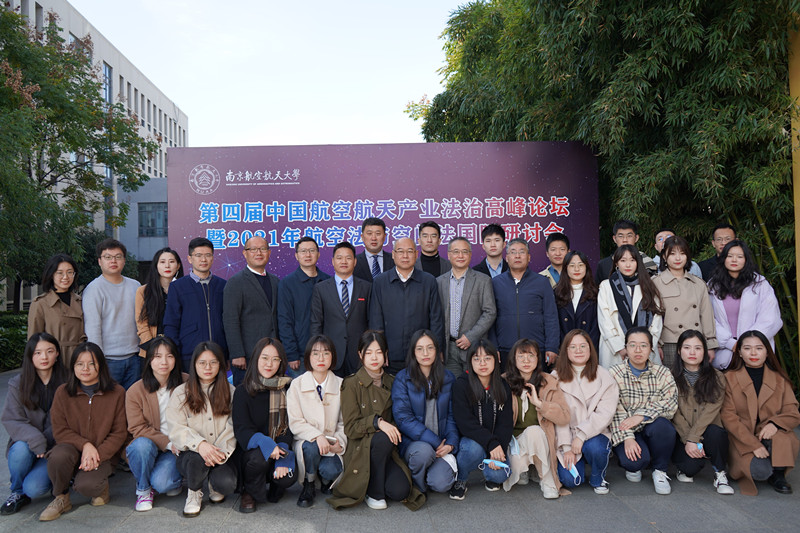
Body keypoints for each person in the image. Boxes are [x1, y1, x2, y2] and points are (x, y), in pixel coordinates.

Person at [328, 330, 425, 510]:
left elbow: (400, 417)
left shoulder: (392, 382)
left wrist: (389, 427)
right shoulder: (351, 384)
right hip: (361, 448)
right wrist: (377, 422)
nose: (374, 357)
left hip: (387, 449)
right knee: (382, 437)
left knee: (401, 491)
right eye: (369, 353)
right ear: (360, 355)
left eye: (379, 352)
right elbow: (351, 428)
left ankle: (374, 479)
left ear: (385, 355)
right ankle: (374, 492)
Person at [38, 342, 127, 521]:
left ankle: (101, 487)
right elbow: (60, 430)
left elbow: (119, 433)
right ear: (73, 366)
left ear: (101, 366)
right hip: (71, 449)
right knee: (58, 456)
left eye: (91, 364)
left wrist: (96, 454)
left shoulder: (117, 392)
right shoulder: (63, 392)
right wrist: (85, 445)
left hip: (102, 454)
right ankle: (61, 497)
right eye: (80, 364)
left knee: (87, 486)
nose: (85, 369)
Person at [720, 330, 800, 495]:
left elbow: (792, 413)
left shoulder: (780, 379)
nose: (753, 353)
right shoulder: (728, 378)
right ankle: (768, 465)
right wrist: (753, 445)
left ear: (767, 352)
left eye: (759, 348)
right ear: (739, 352)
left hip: (771, 435)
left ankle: (779, 474)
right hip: (742, 437)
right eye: (747, 348)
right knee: (760, 472)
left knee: (782, 435)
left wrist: (774, 424)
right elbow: (728, 417)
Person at [167, 341, 237, 517]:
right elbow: (176, 428)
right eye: (202, 363)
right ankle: (194, 492)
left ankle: (213, 482)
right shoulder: (181, 393)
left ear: (220, 364)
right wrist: (200, 445)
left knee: (227, 484)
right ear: (194, 365)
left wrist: (218, 453)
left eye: (213, 362)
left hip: (220, 452)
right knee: (197, 460)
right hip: (191, 455)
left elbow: (233, 426)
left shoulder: (231, 391)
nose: (208, 367)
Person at [1, 333, 67, 515]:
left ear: (57, 354)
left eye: (49, 351)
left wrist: (47, 440)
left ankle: (54, 476)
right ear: (30, 356)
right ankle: (16, 491)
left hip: (54, 447)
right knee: (19, 450)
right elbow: (12, 419)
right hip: (28, 444)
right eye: (38, 352)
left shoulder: (67, 380)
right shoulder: (18, 383)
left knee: (34, 488)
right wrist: (35, 439)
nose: (44, 357)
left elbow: (70, 418)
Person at [609, 327, 678, 495]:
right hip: (625, 427)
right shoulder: (614, 373)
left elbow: (670, 402)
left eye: (643, 345)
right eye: (632, 345)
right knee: (634, 463)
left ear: (651, 348)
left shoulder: (662, 372)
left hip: (651, 425)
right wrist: (628, 437)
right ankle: (638, 459)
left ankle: (660, 470)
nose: (638, 350)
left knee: (664, 427)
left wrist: (642, 416)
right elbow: (614, 409)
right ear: (626, 347)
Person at [391, 330, 459, 495]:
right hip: (415, 444)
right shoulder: (403, 378)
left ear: (437, 350)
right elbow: (403, 419)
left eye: (430, 348)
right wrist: (435, 442)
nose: (425, 353)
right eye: (420, 349)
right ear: (413, 352)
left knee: (441, 484)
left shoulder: (448, 377)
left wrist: (450, 443)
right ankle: (417, 484)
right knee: (424, 452)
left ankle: (429, 474)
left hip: (442, 444)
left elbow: (453, 416)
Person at [233, 338, 296, 513]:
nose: (270, 364)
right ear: (255, 359)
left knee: (289, 476)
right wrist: (265, 443)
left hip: (277, 446)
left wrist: (282, 449)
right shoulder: (242, 391)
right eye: (265, 358)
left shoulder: (286, 389)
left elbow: (288, 426)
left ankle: (276, 483)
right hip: (252, 453)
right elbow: (242, 430)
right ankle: (249, 491)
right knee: (259, 458)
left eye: (275, 359)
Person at [502, 338, 570, 499]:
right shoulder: (503, 381)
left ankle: (548, 481)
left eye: (531, 356)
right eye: (521, 356)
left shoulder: (549, 381)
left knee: (534, 431)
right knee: (517, 468)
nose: (526, 361)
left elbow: (564, 416)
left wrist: (540, 404)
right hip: (514, 443)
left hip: (541, 440)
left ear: (538, 358)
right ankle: (528, 469)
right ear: (513, 359)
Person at [125, 336, 187, 512]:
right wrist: (167, 443)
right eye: (157, 356)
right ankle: (143, 489)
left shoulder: (187, 382)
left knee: (162, 483)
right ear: (149, 360)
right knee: (140, 446)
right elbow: (137, 428)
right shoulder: (135, 390)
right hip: (151, 445)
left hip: (176, 448)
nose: (164, 362)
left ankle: (170, 479)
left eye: (169, 356)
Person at [553, 329, 619, 494]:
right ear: (566, 351)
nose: (578, 350)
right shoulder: (555, 377)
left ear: (590, 349)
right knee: (570, 481)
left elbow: (605, 413)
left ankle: (598, 477)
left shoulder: (604, 376)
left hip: (593, 433)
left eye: (583, 346)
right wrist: (567, 447)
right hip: (566, 436)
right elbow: (557, 416)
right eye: (573, 347)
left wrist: (581, 436)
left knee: (596, 448)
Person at [669, 330, 734, 495]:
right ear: (679, 350)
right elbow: (673, 411)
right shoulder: (669, 377)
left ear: (704, 351)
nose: (692, 352)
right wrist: (688, 439)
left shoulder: (717, 377)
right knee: (689, 468)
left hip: (708, 430)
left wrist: (694, 438)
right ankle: (686, 463)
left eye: (698, 348)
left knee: (716, 433)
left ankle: (720, 473)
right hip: (683, 433)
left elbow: (712, 410)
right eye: (687, 347)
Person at [287, 335, 347, 508]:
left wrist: (339, 442)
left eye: (326, 353)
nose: (321, 358)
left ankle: (325, 478)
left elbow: (344, 422)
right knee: (311, 447)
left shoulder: (342, 385)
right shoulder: (297, 385)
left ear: (333, 357)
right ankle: (309, 482)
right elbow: (296, 422)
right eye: (315, 353)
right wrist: (317, 436)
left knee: (331, 470)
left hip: (331, 443)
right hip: (308, 442)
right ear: (308, 357)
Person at [369, 237, 444, 374]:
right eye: (400, 251)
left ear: (416, 254)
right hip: (390, 356)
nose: (405, 256)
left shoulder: (428, 281)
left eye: (409, 251)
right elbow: (376, 320)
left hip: (421, 356)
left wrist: (436, 349)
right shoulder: (380, 282)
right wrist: (380, 350)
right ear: (393, 254)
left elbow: (436, 320)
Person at [450, 339, 513, 500]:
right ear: (470, 362)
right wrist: (491, 443)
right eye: (477, 359)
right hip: (471, 441)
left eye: (487, 358)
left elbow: (505, 423)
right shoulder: (461, 385)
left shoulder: (503, 385)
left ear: (496, 360)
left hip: (495, 441)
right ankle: (461, 479)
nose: (482, 363)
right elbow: (465, 423)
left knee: (499, 476)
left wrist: (498, 448)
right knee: (472, 450)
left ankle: (487, 471)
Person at [707, 240, 782, 370]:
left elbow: (771, 318)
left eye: (740, 256)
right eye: (730, 256)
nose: (734, 260)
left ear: (746, 260)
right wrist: (731, 343)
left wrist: (748, 344)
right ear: (723, 259)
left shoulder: (760, 284)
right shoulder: (713, 286)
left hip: (755, 351)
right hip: (725, 351)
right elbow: (708, 319)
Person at [82, 238, 141, 389]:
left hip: (134, 358)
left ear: (124, 260)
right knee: (109, 400)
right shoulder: (94, 289)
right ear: (99, 261)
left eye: (118, 257)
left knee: (132, 400)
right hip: (108, 360)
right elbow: (93, 328)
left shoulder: (135, 286)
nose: (113, 261)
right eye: (108, 257)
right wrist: (97, 360)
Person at [490, 238, 559, 368]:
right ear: (507, 258)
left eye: (522, 252)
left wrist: (552, 346)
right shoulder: (496, 283)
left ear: (529, 257)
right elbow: (491, 317)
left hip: (536, 349)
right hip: (506, 349)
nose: (517, 256)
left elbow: (551, 316)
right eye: (513, 252)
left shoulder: (542, 282)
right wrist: (494, 347)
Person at [164, 237, 228, 374]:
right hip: (189, 355)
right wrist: (175, 353)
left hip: (218, 354)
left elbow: (229, 322)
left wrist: (228, 354)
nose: (203, 259)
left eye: (208, 255)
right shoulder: (178, 287)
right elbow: (171, 324)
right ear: (190, 258)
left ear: (213, 258)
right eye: (198, 255)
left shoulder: (223, 285)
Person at [653, 235, 717, 367]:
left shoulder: (698, 284)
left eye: (682, 253)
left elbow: (707, 316)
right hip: (669, 343)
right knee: (670, 379)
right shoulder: (655, 283)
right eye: (672, 254)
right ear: (664, 256)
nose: (678, 258)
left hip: (695, 343)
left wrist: (710, 345)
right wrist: (656, 344)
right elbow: (652, 317)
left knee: (695, 378)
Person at [222, 236, 278, 385]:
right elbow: (230, 320)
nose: (258, 253)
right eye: (253, 249)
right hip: (247, 357)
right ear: (245, 253)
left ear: (269, 253)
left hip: (273, 355)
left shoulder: (276, 281)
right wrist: (237, 354)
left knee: (272, 397)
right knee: (247, 395)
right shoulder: (235, 282)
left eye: (263, 249)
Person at [310, 242, 371, 377]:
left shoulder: (366, 288)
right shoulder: (321, 289)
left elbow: (371, 321)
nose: (344, 261)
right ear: (333, 261)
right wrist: (317, 352)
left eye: (348, 258)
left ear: (355, 261)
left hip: (358, 354)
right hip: (331, 353)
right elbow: (316, 323)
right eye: (339, 258)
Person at [437, 237, 496, 375]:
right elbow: (436, 316)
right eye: (456, 252)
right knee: (455, 385)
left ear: (470, 255)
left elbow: (490, 312)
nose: (460, 256)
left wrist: (470, 337)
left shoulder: (483, 280)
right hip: (449, 349)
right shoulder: (439, 282)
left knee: (475, 385)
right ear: (449, 255)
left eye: (465, 252)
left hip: (476, 347)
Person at [597, 244, 664, 368]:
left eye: (632, 260)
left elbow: (657, 319)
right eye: (623, 260)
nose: (628, 265)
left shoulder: (648, 285)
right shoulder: (606, 286)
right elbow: (604, 320)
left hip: (645, 349)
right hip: (615, 350)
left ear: (638, 262)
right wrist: (620, 347)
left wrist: (646, 346)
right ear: (616, 263)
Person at [278, 237, 331, 378]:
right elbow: (284, 321)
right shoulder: (287, 284)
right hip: (300, 355)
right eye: (303, 251)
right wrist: (291, 353)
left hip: (326, 352)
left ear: (318, 254)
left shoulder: (328, 281)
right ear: (296, 255)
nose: (308, 255)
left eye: (312, 250)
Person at [27, 254, 85, 365]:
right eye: (60, 273)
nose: (65, 277)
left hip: (80, 359)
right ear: (51, 274)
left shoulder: (81, 301)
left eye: (70, 272)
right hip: (55, 360)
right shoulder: (40, 303)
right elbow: (34, 341)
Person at [135, 247, 183, 357]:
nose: (167, 266)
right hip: (151, 349)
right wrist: (153, 347)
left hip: (178, 349)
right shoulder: (143, 291)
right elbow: (141, 323)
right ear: (156, 266)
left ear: (178, 266)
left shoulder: (184, 291)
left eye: (171, 262)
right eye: (162, 262)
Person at [554, 251, 600, 350]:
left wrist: (588, 347)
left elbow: (596, 326)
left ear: (586, 267)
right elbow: (555, 325)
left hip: (589, 348)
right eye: (572, 266)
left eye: (580, 265)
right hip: (564, 348)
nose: (576, 269)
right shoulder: (556, 293)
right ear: (565, 268)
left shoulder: (596, 293)